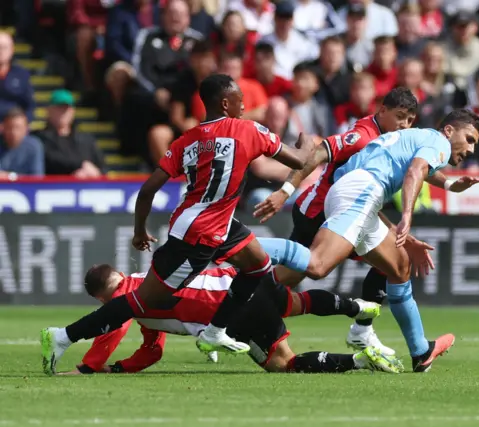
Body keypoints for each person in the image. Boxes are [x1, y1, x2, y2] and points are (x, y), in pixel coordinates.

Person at [40, 74, 315, 375]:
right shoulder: (248, 130)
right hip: (199, 235)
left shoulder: (188, 140)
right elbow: (301, 160)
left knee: (259, 265)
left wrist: (138, 231)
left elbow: (147, 190)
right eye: (239, 98)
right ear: (225, 103)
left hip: (210, 221)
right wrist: (305, 139)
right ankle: (63, 336)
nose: (245, 104)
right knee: (140, 303)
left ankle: (214, 330)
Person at [249, 109, 479, 372]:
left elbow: (420, 168)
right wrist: (407, 215)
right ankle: (237, 242)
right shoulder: (438, 142)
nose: (472, 149)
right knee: (317, 265)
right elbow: (417, 171)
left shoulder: (418, 138)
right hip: (361, 192)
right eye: (470, 139)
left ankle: (420, 351)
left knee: (400, 267)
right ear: (449, 131)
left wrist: (451, 186)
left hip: (358, 191)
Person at [253, 87, 418, 357]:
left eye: (410, 121)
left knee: (293, 274)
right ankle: (233, 293)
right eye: (399, 116)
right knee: (387, 262)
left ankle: (232, 298)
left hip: (340, 213)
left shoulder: (388, 140)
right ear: (382, 111)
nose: (404, 125)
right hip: (320, 213)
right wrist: (284, 192)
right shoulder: (361, 137)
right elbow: (317, 154)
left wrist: (392, 227)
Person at [56, 262, 399, 375]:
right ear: (119, 271)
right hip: (241, 279)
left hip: (229, 313)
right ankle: (354, 307)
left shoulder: (124, 300)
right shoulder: (150, 274)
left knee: (283, 364)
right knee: (297, 302)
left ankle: (359, 361)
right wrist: (120, 368)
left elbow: (112, 328)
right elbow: (153, 351)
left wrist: (90, 367)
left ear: (101, 298)